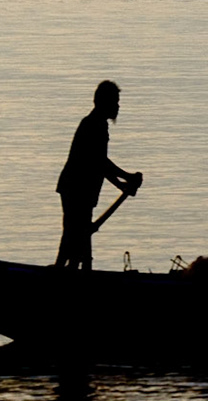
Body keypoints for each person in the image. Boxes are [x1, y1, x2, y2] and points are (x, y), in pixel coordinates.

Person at [54, 81, 143, 270]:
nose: (118, 106)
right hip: (75, 188)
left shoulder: (99, 125)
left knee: (80, 234)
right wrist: (125, 179)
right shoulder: (93, 125)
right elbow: (99, 162)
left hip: (84, 190)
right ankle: (62, 271)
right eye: (115, 102)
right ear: (104, 102)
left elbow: (101, 163)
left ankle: (78, 270)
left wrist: (124, 181)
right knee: (74, 233)